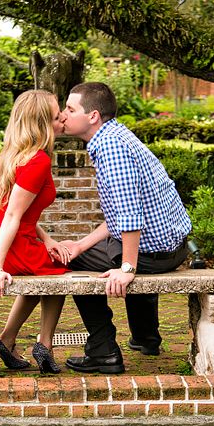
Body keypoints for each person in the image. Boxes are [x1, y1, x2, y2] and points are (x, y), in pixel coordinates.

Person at [57, 81, 192, 374]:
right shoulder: (116, 135)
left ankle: (103, 351)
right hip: (171, 247)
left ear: (92, 116)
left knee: (76, 262)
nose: (63, 114)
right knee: (99, 249)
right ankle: (146, 338)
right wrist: (81, 243)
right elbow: (120, 217)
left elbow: (129, 217)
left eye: (70, 108)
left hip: (154, 253)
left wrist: (128, 269)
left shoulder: (111, 148)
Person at [0, 89, 70, 374]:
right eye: (57, 114)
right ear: (42, 122)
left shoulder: (15, 155)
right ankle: (45, 345)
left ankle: (7, 340)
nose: (62, 118)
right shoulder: (39, 161)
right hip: (1, 243)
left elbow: (20, 211)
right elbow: (12, 215)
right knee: (59, 274)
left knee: (43, 272)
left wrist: (47, 239)